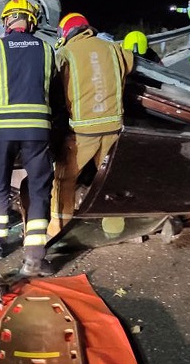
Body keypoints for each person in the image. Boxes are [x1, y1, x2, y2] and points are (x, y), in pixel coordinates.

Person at [0, 0, 57, 277]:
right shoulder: (46, 49)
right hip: (37, 129)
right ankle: (34, 259)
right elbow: (52, 90)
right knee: (39, 188)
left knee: (0, 183)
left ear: (6, 21)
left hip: (3, 129)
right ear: (31, 21)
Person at [47, 13, 135, 240]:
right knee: (111, 178)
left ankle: (57, 229)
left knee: (64, 179)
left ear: (66, 33)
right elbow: (130, 63)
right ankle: (114, 229)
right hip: (114, 126)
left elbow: (55, 88)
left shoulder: (66, 53)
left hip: (83, 131)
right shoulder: (114, 48)